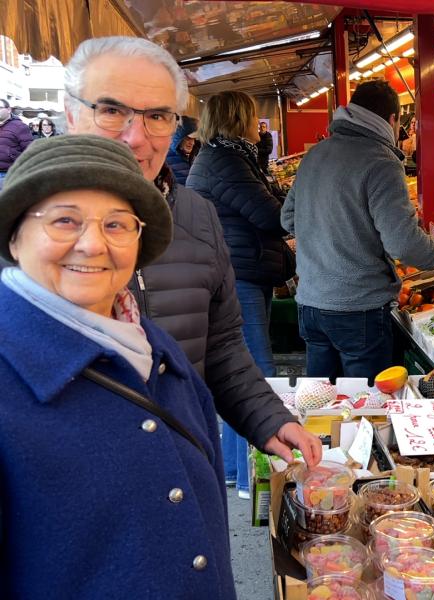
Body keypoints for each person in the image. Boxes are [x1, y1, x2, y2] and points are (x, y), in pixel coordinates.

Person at [62, 36, 321, 490]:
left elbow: (221, 345)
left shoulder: (197, 215)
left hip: (189, 473)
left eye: (157, 116)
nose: (135, 136)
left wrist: (267, 417)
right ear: (71, 114)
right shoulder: (26, 235)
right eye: (110, 110)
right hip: (80, 498)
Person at [0, 134, 235, 597]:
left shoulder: (155, 348)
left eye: (116, 224)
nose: (92, 244)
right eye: (65, 220)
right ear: (14, 235)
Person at [282, 80, 434, 382]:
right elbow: (403, 243)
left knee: (320, 405)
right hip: (358, 309)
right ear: (391, 120)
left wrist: (328, 230)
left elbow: (287, 219)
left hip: (311, 304)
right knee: (366, 407)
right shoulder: (382, 162)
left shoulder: (315, 154)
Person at [188, 91, 294, 498]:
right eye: (254, 118)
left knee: (245, 368)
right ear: (240, 118)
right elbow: (269, 214)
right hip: (238, 274)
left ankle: (237, 470)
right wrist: (292, 201)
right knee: (252, 371)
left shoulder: (230, 156)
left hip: (244, 268)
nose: (259, 125)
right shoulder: (225, 161)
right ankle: (252, 477)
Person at [0, 99, 34, 188]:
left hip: (8, 174)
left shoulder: (20, 127)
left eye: (0, 107)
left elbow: (29, 151)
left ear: (9, 110)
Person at [166, 114, 199, 186]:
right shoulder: (166, 161)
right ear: (178, 138)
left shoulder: (194, 158)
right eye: (189, 138)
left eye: (194, 139)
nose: (192, 143)